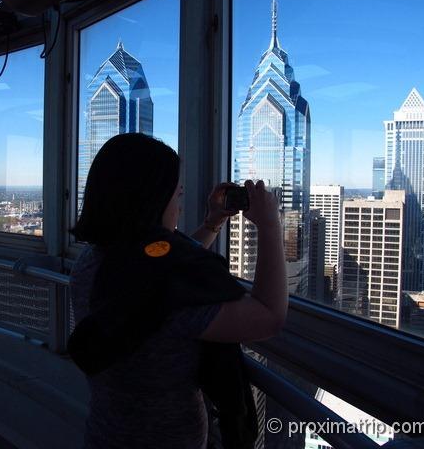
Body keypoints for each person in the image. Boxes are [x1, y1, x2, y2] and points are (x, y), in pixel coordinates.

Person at [68, 133, 287, 449]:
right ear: (152, 202)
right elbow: (269, 316)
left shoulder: (91, 263)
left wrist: (212, 223)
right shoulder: (165, 290)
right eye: (178, 196)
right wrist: (270, 226)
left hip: (105, 434)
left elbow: (157, 266)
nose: (180, 209)